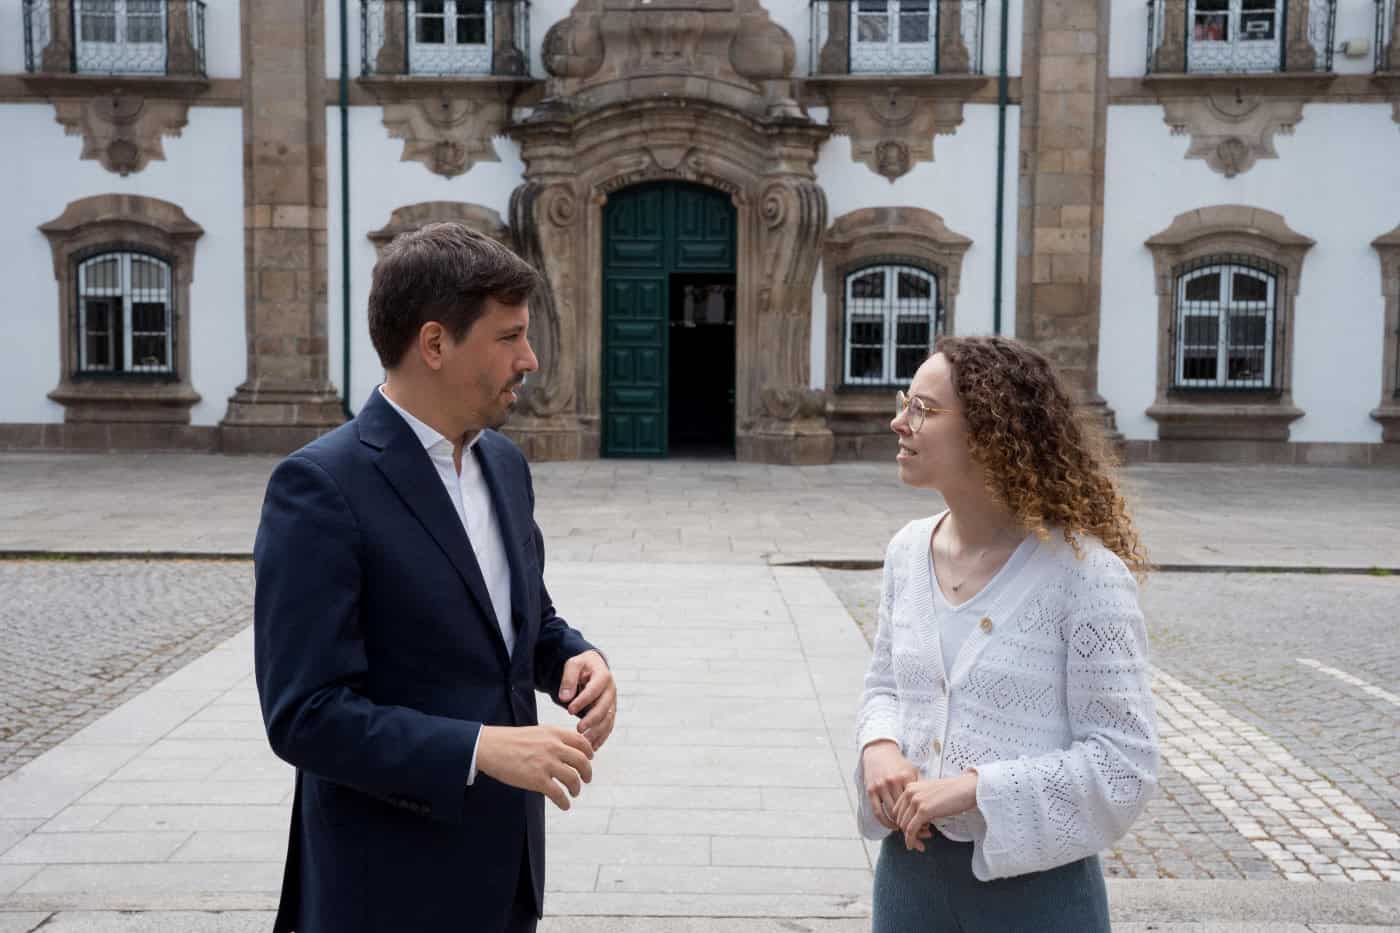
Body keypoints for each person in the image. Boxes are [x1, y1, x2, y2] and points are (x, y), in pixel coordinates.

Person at [254, 223, 617, 933]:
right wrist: (479, 748)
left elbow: (521, 619)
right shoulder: (321, 486)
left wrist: (575, 654)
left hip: (506, 874)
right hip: (385, 889)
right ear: (435, 343)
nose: (531, 359)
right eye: (510, 337)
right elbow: (304, 714)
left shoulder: (504, 466)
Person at [856, 335, 1159, 932]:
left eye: (922, 408)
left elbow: (1125, 762)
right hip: (909, 881)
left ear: (990, 430)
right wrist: (879, 747)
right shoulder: (907, 551)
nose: (899, 422)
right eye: (903, 402)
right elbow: (885, 686)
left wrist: (972, 790)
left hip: (1038, 897)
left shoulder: (1085, 575)